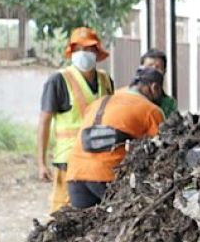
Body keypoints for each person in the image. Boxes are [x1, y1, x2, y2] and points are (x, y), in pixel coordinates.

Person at [65, 67, 166, 209]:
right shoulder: (151, 110)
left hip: (76, 173)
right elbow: (163, 150)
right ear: (154, 87)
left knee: (84, 227)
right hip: (107, 175)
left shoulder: (101, 101)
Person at [37, 26, 114, 212]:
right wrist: (41, 162)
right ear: (71, 53)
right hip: (69, 160)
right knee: (63, 212)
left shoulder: (106, 80)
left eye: (88, 49)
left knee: (97, 214)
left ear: (96, 52)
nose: (83, 54)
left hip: (101, 159)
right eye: (78, 49)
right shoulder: (58, 81)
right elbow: (44, 122)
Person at [140, 48, 178, 118]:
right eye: (149, 66)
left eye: (158, 67)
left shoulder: (170, 103)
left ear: (164, 71)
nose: (153, 71)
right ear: (141, 70)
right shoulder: (131, 97)